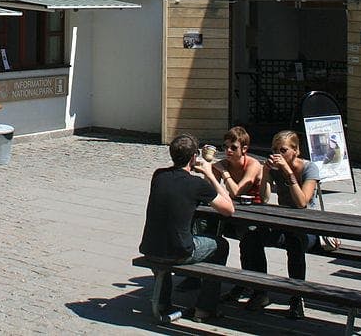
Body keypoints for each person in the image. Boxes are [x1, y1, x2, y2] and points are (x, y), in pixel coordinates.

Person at [138, 133, 234, 322]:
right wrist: (210, 175)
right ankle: (205, 307)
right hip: (179, 251)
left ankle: (164, 302)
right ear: (193, 157)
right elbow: (229, 208)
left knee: (166, 239)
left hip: (149, 248)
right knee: (221, 246)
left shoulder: (159, 175)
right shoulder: (196, 184)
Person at [238, 130, 322, 320]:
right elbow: (265, 199)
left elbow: (302, 203)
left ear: (296, 151)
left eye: (283, 150)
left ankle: (296, 298)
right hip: (284, 221)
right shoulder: (275, 168)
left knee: (295, 242)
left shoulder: (310, 169)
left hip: (310, 227)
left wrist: (289, 173)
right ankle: (260, 291)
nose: (278, 154)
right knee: (251, 236)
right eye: (275, 150)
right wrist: (266, 173)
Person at [211, 126, 264, 203]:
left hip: (255, 206)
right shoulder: (223, 164)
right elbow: (210, 191)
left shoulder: (253, 165)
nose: (228, 150)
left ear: (244, 149)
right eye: (225, 146)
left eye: (233, 147)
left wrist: (224, 172)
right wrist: (208, 167)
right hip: (234, 204)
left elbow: (237, 193)